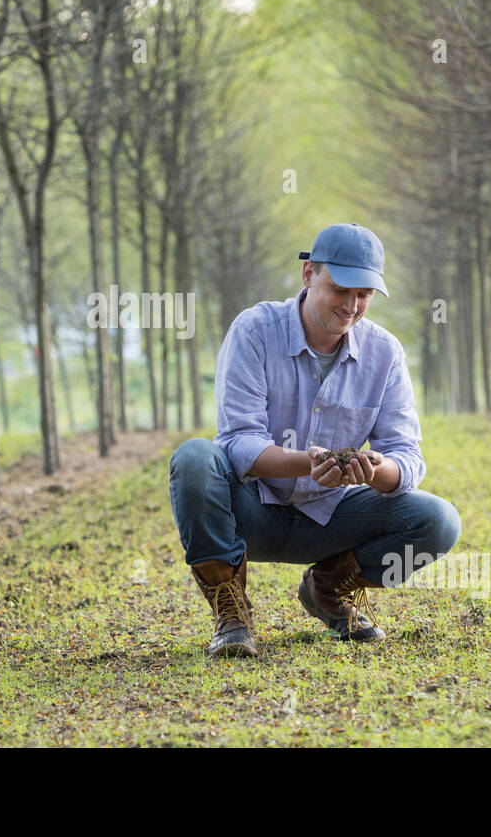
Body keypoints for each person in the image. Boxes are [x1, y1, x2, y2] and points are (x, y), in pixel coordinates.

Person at [168, 222, 461, 657]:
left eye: (364, 295)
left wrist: (376, 472)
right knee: (194, 458)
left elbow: (407, 456)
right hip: (254, 510)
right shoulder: (254, 331)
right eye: (341, 289)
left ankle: (327, 587)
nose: (352, 306)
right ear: (309, 274)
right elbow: (238, 440)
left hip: (334, 518)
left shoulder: (385, 353)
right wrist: (307, 463)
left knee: (438, 520)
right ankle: (231, 614)